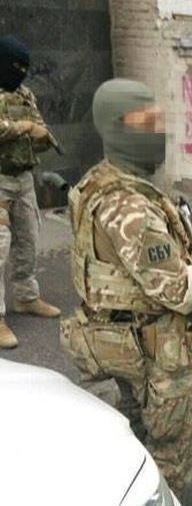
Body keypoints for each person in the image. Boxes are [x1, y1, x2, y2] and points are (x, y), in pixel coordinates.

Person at [60, 78, 192, 494]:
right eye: (147, 122)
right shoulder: (131, 208)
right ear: (116, 126)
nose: (159, 132)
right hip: (156, 351)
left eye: (159, 120)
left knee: (135, 430)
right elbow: (179, 291)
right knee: (173, 450)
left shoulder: (97, 181)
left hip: (119, 340)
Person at [0, 36, 61, 349]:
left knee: (29, 238)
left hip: (22, 178)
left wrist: (40, 136)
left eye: (24, 68)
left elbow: (39, 126)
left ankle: (26, 297)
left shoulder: (24, 94)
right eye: (14, 66)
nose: (20, 73)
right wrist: (24, 128)